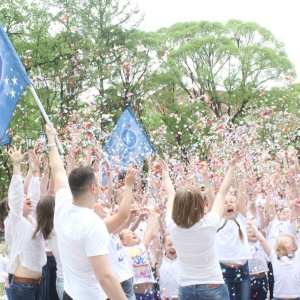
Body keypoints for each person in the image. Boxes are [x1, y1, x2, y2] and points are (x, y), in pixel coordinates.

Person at [45, 123, 126, 300]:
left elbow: (58, 170)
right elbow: (105, 277)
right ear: (92, 188)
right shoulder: (92, 224)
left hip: (70, 294)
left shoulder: (63, 206)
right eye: (98, 183)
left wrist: (51, 140)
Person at [160, 152, 243, 300]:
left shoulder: (172, 225)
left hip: (186, 287)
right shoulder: (209, 224)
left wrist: (165, 173)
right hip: (212, 285)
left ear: (177, 206)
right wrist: (231, 167)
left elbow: (170, 194)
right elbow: (222, 193)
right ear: (200, 204)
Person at [5, 147, 46, 300]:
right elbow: (15, 198)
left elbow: (35, 198)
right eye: (23, 197)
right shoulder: (15, 221)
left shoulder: (33, 220)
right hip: (23, 286)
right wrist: (16, 166)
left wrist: (34, 171)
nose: (26, 198)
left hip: (39, 284)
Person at [249, 219, 300, 300]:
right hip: (278, 297)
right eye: (280, 243)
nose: (282, 244)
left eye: (286, 242)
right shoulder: (274, 256)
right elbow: (262, 239)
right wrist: (252, 226)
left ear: (294, 247)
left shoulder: (297, 257)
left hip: (297, 297)